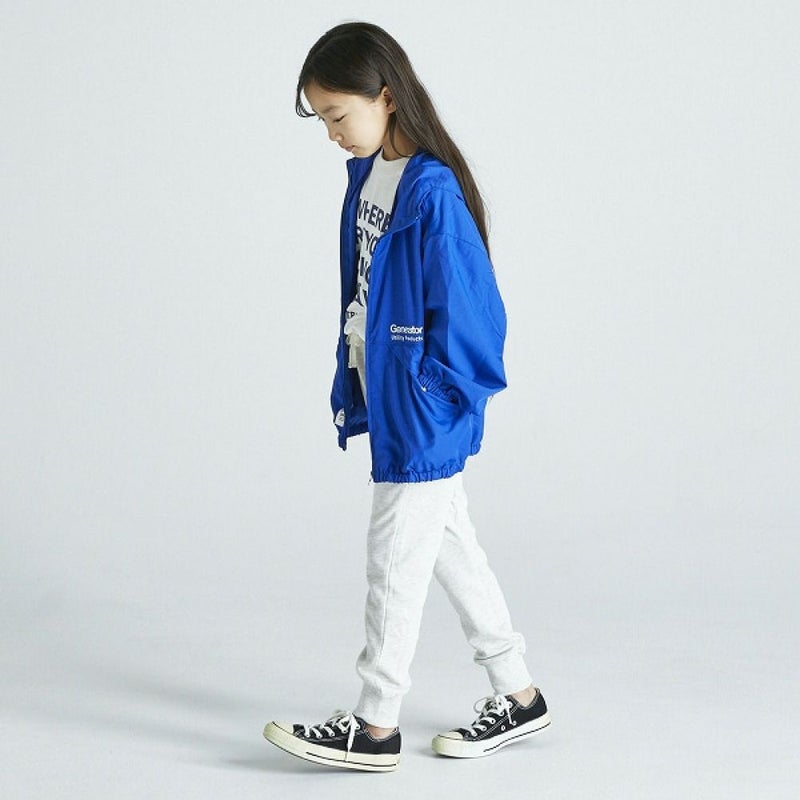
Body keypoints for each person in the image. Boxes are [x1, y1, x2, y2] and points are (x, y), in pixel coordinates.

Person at [263, 21, 550, 772]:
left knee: (392, 560)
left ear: (386, 97)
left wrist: (434, 390)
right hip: (389, 392)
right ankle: (519, 695)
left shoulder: (431, 191)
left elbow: (476, 317)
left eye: (337, 115)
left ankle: (375, 724)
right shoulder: (369, 177)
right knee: (449, 546)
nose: (330, 133)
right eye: (322, 119)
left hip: (420, 408)